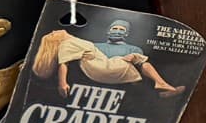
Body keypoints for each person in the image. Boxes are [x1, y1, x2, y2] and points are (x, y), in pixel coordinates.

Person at [31, 18, 184, 97]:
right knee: (139, 59)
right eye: (114, 28)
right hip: (104, 71)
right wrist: (62, 83)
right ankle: (161, 84)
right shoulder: (92, 45)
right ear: (108, 31)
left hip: (125, 78)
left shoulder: (133, 48)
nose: (117, 31)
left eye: (120, 29)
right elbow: (65, 63)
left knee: (139, 59)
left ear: (126, 33)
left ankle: (161, 87)